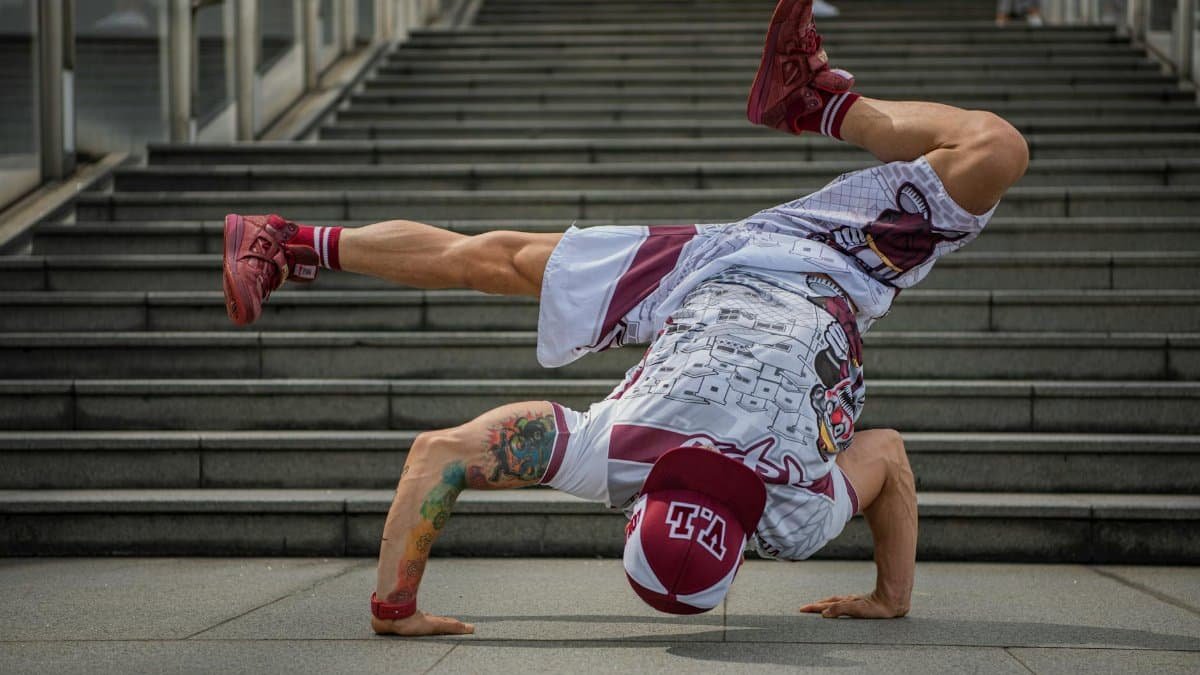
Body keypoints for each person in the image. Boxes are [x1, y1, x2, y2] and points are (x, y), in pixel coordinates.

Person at [221, 0, 1028, 636]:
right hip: (833, 266)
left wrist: (395, 605)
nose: (711, 453)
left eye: (690, 472)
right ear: (748, 541)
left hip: (691, 276)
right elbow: (885, 454)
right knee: (996, 151)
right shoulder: (799, 517)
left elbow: (439, 454)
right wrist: (892, 596)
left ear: (637, 504)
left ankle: (289, 242)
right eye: (723, 483)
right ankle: (818, 103)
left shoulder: (607, 457)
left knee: (493, 260)